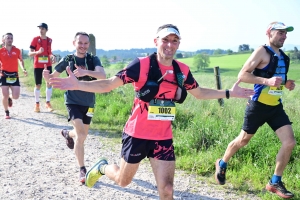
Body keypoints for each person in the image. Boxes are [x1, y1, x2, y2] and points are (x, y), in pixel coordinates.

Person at [49, 24, 254, 199]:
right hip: (137, 133)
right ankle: (103, 167)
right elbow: (109, 84)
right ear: (156, 41)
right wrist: (77, 85)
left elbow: (199, 93)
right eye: (166, 40)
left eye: (175, 41)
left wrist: (229, 93)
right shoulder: (141, 65)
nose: (170, 45)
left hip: (163, 137)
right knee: (123, 180)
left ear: (178, 44)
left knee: (167, 189)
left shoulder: (182, 70)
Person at [214, 22, 296, 199]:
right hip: (257, 106)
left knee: (289, 142)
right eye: (280, 32)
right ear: (269, 33)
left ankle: (275, 181)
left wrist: (287, 83)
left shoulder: (283, 56)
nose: (284, 36)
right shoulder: (262, 51)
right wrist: (266, 82)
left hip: (275, 106)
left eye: (285, 33)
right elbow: (242, 75)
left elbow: (276, 79)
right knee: (243, 140)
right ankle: (222, 162)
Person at [43, 32, 106, 183]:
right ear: (74, 43)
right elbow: (53, 78)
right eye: (80, 43)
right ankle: (82, 169)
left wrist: (85, 72)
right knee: (82, 136)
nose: (83, 46)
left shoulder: (92, 59)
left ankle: (67, 133)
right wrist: (47, 77)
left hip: (89, 102)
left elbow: (102, 75)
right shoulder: (69, 59)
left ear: (88, 45)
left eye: (85, 43)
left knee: (81, 134)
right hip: (72, 101)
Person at [29, 23, 55, 112]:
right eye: (40, 28)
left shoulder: (49, 40)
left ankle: (48, 103)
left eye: (43, 28)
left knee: (49, 83)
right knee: (38, 85)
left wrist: (52, 56)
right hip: (38, 65)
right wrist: (37, 52)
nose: (41, 30)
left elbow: (49, 52)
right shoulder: (35, 39)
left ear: (46, 30)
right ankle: (37, 104)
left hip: (47, 65)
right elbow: (30, 53)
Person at [0, 33, 27, 119]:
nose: (10, 39)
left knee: (16, 96)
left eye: (11, 38)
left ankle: (10, 98)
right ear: (4, 40)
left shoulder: (17, 50)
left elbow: (20, 60)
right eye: (8, 38)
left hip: (14, 75)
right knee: (5, 95)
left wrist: (23, 69)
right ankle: (6, 112)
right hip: (4, 74)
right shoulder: (1, 51)